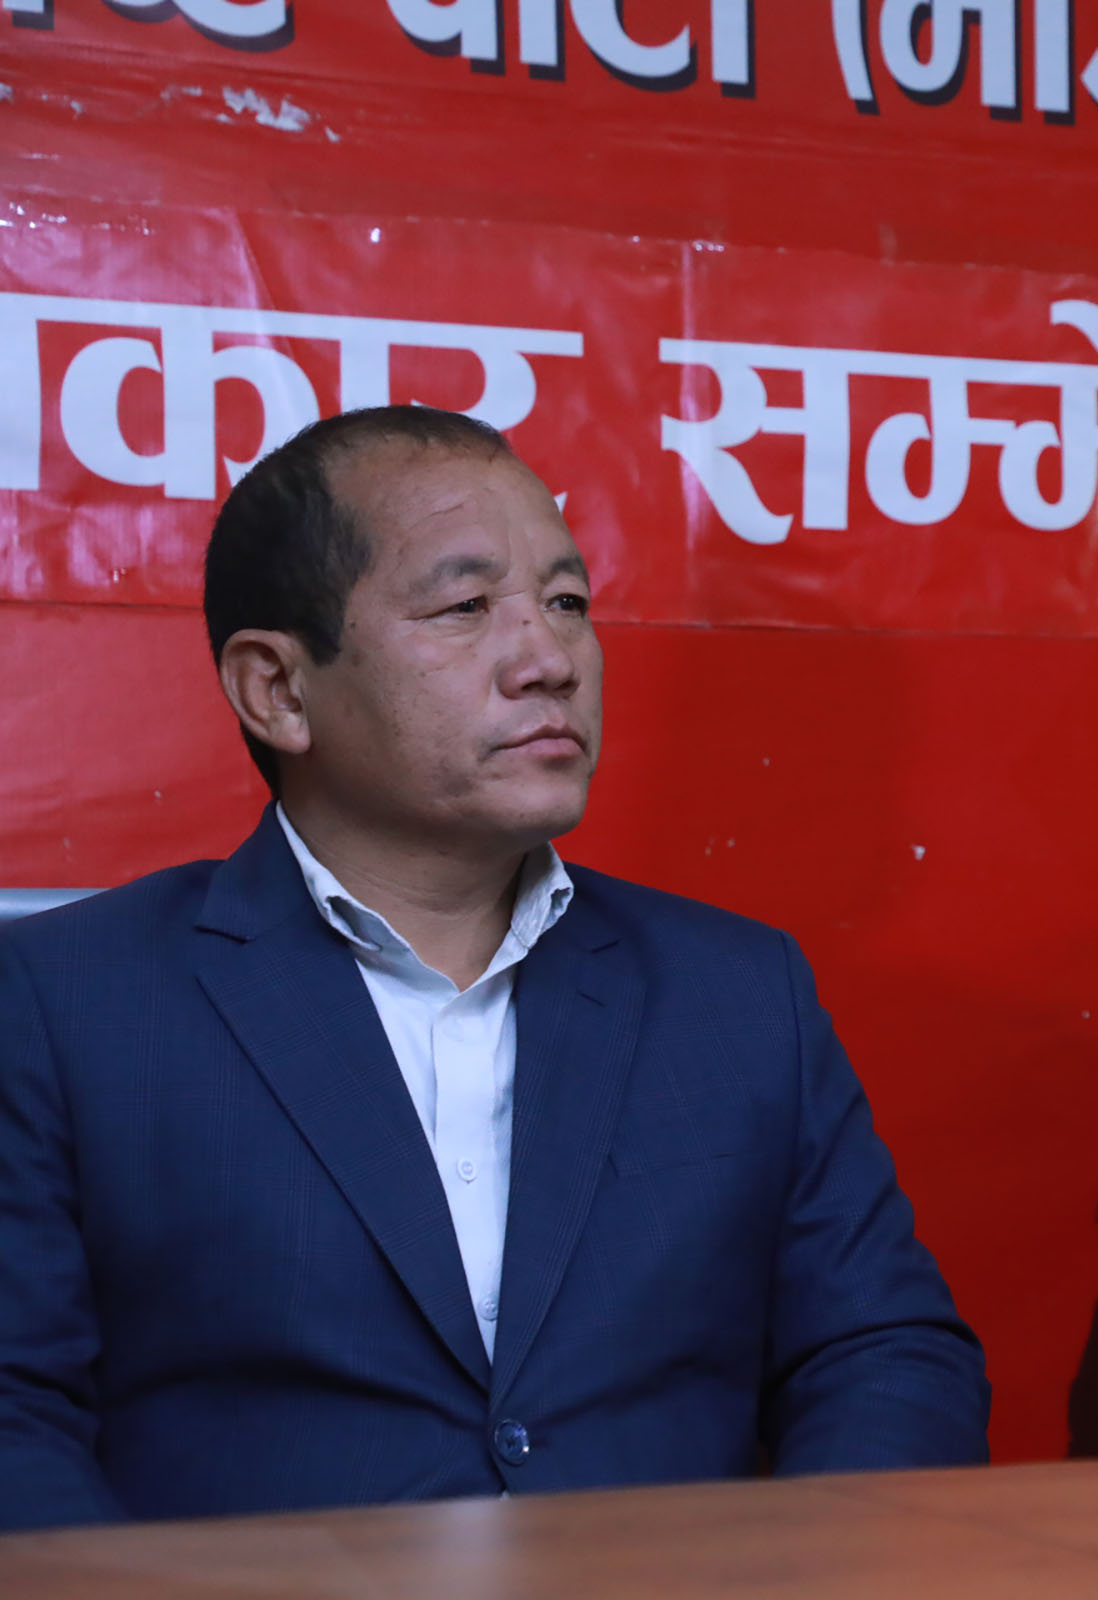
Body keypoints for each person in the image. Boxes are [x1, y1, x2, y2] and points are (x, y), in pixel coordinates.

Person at [0, 407, 989, 1530]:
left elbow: (885, 1353)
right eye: (466, 608)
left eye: (566, 603)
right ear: (278, 689)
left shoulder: (738, 993)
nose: (549, 661)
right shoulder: (65, 1006)